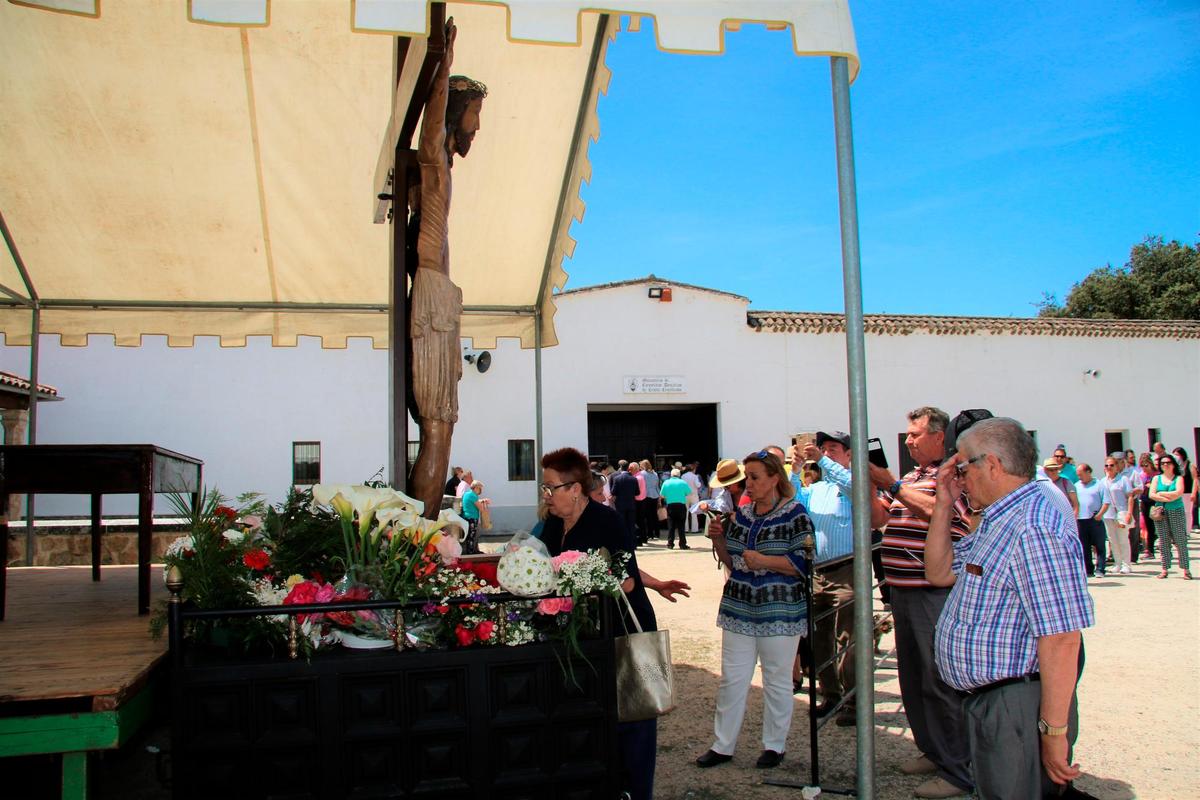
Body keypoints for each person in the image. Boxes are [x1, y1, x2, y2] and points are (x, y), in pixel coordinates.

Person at [924, 417, 1095, 800]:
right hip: (995, 703)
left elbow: (1062, 637)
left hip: (1016, 704)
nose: (959, 476)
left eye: (963, 467)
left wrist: (1054, 733)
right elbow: (938, 572)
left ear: (992, 466)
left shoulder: (1033, 526)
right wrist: (942, 505)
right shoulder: (1001, 518)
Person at [537, 447, 690, 800]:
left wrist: (569, 584)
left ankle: (636, 791)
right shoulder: (552, 523)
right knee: (595, 715)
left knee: (635, 715)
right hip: (584, 633)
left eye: (550, 487)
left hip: (624, 629)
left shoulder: (606, 520)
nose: (546, 495)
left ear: (574, 488)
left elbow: (625, 578)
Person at [869, 407, 973, 799]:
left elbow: (939, 515)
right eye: (908, 434)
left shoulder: (952, 477)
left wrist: (892, 485)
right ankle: (933, 749)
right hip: (903, 590)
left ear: (939, 437)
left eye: (915, 434)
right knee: (913, 679)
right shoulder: (914, 477)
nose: (909, 440)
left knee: (940, 679)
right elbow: (882, 521)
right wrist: (871, 489)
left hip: (933, 591)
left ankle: (959, 769)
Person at [406, 18, 487, 516]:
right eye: (475, 113)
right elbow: (430, 126)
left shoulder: (444, 169)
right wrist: (444, 66)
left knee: (441, 424)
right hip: (433, 294)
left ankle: (421, 535)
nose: (477, 125)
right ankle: (420, 541)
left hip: (440, 293)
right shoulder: (434, 161)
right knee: (438, 425)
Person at [695, 451, 813, 771]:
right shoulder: (743, 515)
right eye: (748, 476)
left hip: (780, 609)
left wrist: (766, 561)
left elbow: (804, 563)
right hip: (739, 606)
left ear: (775, 478)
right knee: (732, 678)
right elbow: (732, 561)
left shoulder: (795, 514)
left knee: (776, 679)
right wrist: (718, 540)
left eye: (755, 477)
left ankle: (774, 745)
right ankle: (722, 745)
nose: (749, 482)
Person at [790, 431, 890, 726]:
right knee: (819, 639)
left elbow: (857, 489)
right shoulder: (817, 486)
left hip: (848, 569)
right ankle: (830, 694)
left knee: (851, 638)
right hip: (818, 571)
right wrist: (795, 470)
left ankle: (854, 700)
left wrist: (823, 461)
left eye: (833, 448)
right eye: (823, 448)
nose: (825, 452)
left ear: (849, 454)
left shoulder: (851, 483)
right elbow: (794, 501)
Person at [1149, 453, 1190, 579]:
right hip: (1160, 512)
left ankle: (1186, 569)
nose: (1165, 465)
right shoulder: (1157, 478)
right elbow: (1152, 494)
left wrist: (1161, 494)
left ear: (1173, 464)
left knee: (1180, 540)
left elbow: (1178, 493)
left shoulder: (1178, 478)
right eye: (1162, 463)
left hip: (1176, 511)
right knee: (1163, 540)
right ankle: (1164, 568)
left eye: (1168, 462)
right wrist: (1167, 496)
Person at [1098, 456, 1135, 574]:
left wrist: (1129, 513)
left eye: (1111, 465)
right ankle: (1117, 563)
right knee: (1112, 540)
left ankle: (1126, 564)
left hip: (1121, 512)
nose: (1109, 468)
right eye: (1106, 465)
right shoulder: (1103, 481)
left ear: (1117, 467)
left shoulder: (1123, 480)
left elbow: (1130, 497)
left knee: (1123, 539)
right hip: (1108, 514)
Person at [1073, 464, 1108, 577]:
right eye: (1078, 475)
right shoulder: (1076, 486)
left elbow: (1106, 502)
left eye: (1081, 475)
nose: (1079, 477)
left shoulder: (1099, 484)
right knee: (1084, 546)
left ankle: (1100, 569)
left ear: (1088, 472)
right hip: (1081, 520)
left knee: (1099, 545)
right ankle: (1088, 569)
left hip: (1095, 518)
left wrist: (1100, 514)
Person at [660, 468, 691, 549]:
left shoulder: (666, 482)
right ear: (679, 475)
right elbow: (688, 492)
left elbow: (662, 495)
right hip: (681, 505)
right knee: (681, 526)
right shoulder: (683, 482)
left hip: (670, 506)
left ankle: (670, 544)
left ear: (671, 475)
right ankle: (682, 544)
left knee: (671, 526)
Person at [1136, 452, 1159, 558]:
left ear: (1151, 464)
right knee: (1148, 526)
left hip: (1156, 501)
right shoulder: (1141, 476)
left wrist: (1152, 486)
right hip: (1145, 501)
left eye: (1146, 465)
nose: (1144, 468)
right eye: (1142, 466)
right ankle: (1150, 550)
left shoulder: (1157, 475)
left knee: (1159, 526)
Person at [1171, 447, 1197, 533]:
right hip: (1177, 492)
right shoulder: (1175, 466)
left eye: (1177, 455)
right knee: (1177, 512)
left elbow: (1195, 480)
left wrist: (1194, 493)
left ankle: (1187, 531)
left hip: (1187, 492)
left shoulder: (1190, 465)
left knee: (1187, 512)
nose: (1176, 457)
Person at [639, 459, 662, 542]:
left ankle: (650, 533)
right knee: (654, 515)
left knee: (647, 516)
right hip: (655, 494)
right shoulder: (655, 473)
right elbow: (657, 486)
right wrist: (659, 496)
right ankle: (657, 532)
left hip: (646, 495)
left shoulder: (642, 474)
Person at [460, 480, 484, 554]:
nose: (480, 490)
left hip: (466, 517)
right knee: (471, 537)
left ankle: (469, 552)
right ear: (476, 488)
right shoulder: (473, 495)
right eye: (480, 488)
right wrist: (484, 504)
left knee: (468, 536)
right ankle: (470, 554)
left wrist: (481, 500)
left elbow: (472, 502)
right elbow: (481, 508)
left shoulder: (467, 494)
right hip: (472, 518)